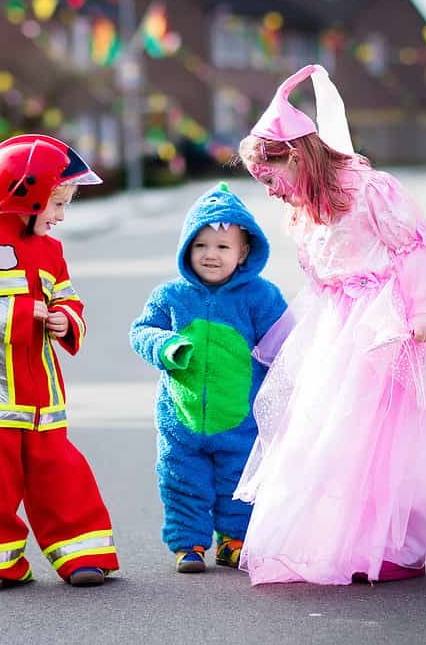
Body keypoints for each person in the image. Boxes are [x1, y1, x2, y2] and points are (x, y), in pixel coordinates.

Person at [233, 65, 426, 585]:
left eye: (271, 177)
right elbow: (324, 275)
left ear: (297, 155)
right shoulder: (306, 207)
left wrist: (424, 311)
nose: (271, 190)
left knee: (386, 438)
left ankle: (391, 544)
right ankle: (337, 538)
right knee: (329, 432)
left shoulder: (370, 190)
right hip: (333, 331)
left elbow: (413, 249)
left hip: (385, 330)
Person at [0, 134, 119, 591]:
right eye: (57, 204)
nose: (60, 216)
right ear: (26, 195)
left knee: (62, 474)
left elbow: (71, 301)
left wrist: (65, 320)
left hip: (42, 400)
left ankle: (83, 555)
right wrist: (22, 313)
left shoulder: (51, 252)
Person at [130, 183, 287, 573]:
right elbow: (141, 331)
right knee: (182, 481)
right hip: (180, 421)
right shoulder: (170, 296)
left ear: (243, 252)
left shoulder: (260, 297)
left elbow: (284, 341)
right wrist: (166, 347)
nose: (211, 256)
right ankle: (189, 545)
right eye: (200, 246)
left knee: (238, 483)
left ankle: (234, 541)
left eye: (222, 247)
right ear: (186, 249)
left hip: (239, 418)